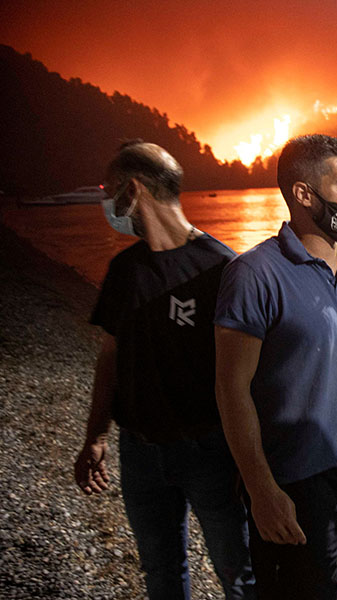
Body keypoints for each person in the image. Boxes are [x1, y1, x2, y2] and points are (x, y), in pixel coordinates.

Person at [73, 141, 255, 599]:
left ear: (133, 191)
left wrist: (251, 459)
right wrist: (96, 436)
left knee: (239, 575)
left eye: (109, 191)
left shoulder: (220, 268)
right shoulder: (124, 270)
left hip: (210, 453)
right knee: (161, 572)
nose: (106, 204)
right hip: (139, 453)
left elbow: (249, 374)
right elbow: (110, 357)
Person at [214, 134, 337, 600]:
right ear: (304, 194)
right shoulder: (253, 274)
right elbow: (231, 389)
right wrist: (261, 490)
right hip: (293, 476)